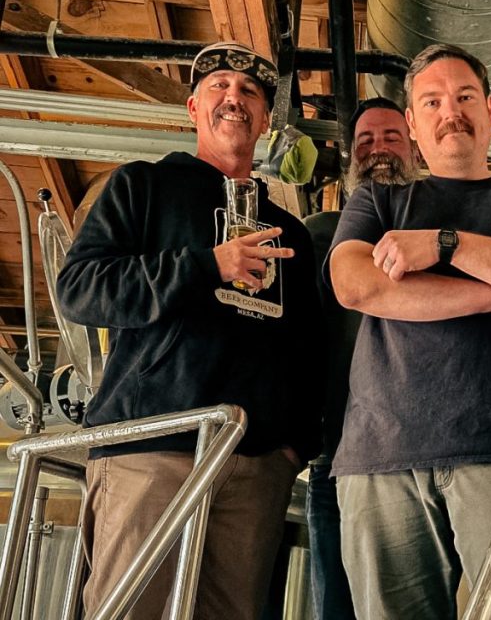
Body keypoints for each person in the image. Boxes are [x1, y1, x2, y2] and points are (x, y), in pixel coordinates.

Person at [328, 43, 491, 619]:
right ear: (413, 124)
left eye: (465, 96)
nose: (451, 111)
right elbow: (358, 286)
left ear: (490, 109)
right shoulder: (377, 199)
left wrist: (445, 245)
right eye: (432, 101)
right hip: (381, 455)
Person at [56, 42, 324, 619]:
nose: (235, 97)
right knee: (132, 610)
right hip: (151, 448)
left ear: (267, 120)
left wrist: (291, 447)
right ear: (192, 108)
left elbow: (308, 351)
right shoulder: (142, 186)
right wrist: (207, 264)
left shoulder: (291, 234)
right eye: (220, 87)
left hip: (253, 467)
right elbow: (81, 289)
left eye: (251, 92)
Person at [304, 96, 418, 620]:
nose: (377, 150)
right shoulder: (318, 236)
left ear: (415, 142)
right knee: (339, 607)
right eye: (364, 141)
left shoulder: (440, 228)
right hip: (338, 454)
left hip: (424, 449)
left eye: (390, 137)